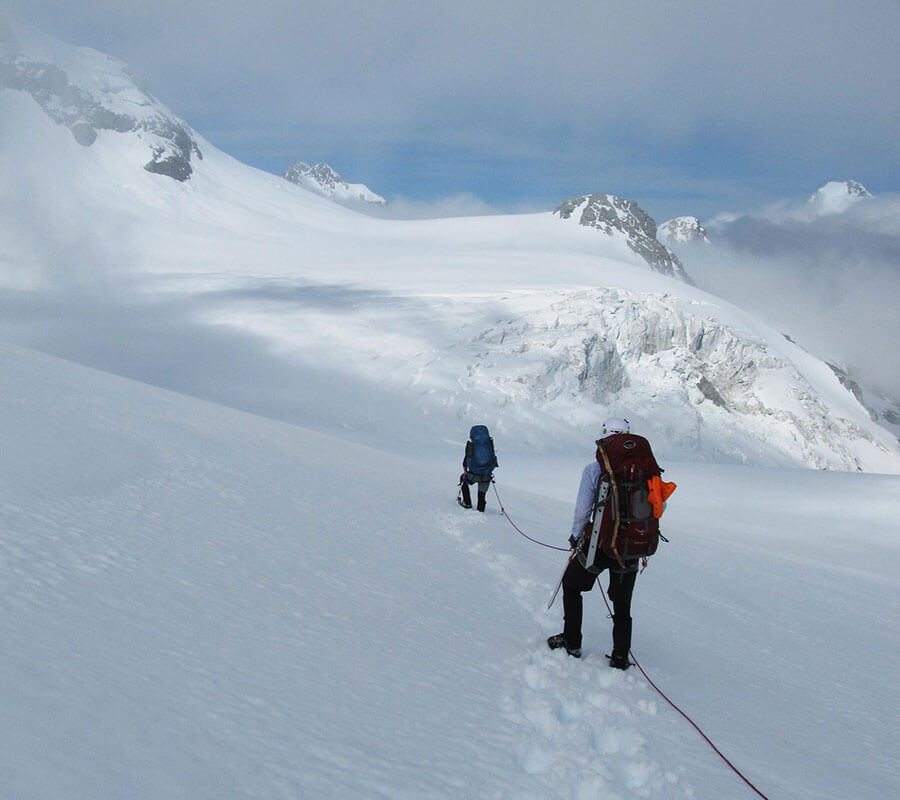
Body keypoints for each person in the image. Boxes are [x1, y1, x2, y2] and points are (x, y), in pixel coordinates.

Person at [548, 416, 640, 667]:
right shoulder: (642, 469)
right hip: (630, 547)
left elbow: (583, 509)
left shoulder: (594, 469)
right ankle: (620, 656)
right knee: (622, 603)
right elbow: (658, 505)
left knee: (572, 586)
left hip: (598, 545)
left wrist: (576, 536)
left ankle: (572, 641)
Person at [458, 424, 498, 512]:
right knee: (482, 494)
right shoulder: (489, 444)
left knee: (463, 479)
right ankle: (480, 509)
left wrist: (466, 471)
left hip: (473, 474)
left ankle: (467, 503)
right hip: (486, 475)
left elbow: (466, 460)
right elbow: (493, 458)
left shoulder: (471, 445)